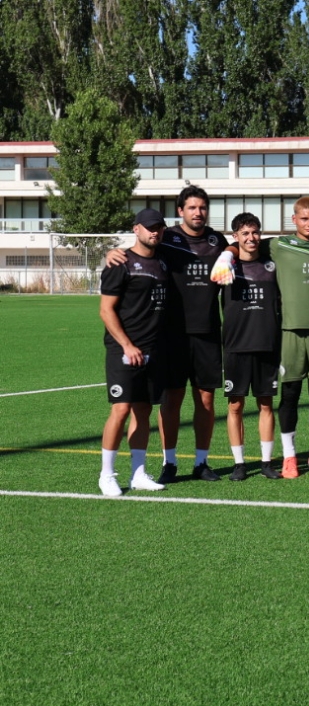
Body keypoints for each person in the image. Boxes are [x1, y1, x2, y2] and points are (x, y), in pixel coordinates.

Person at [212, 196, 309, 478]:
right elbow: (244, 244)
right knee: (289, 395)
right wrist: (226, 253)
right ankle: (289, 457)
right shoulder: (278, 245)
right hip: (287, 332)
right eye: (304, 219)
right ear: (293, 220)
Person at [105, 185, 226, 482]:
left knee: (206, 401)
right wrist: (112, 251)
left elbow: (246, 248)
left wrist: (232, 250)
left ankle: (201, 462)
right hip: (169, 335)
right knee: (171, 400)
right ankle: (169, 462)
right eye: (192, 207)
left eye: (203, 207)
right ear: (181, 211)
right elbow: (138, 248)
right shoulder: (166, 238)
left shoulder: (217, 240)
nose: (198, 212)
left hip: (207, 332)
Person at [97, 208, 176, 496]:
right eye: (149, 227)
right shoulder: (120, 263)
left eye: (159, 227)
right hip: (124, 349)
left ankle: (138, 473)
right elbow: (106, 311)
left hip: (154, 349)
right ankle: (107, 474)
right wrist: (128, 345)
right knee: (120, 410)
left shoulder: (163, 261)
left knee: (143, 411)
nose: (155, 232)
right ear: (136, 229)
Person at [221, 213, 280, 480]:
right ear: (235, 237)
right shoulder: (225, 267)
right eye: (245, 233)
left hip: (267, 345)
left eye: (255, 232)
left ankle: (267, 462)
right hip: (235, 346)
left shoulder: (271, 267)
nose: (251, 238)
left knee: (266, 403)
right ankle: (239, 463)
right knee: (235, 406)